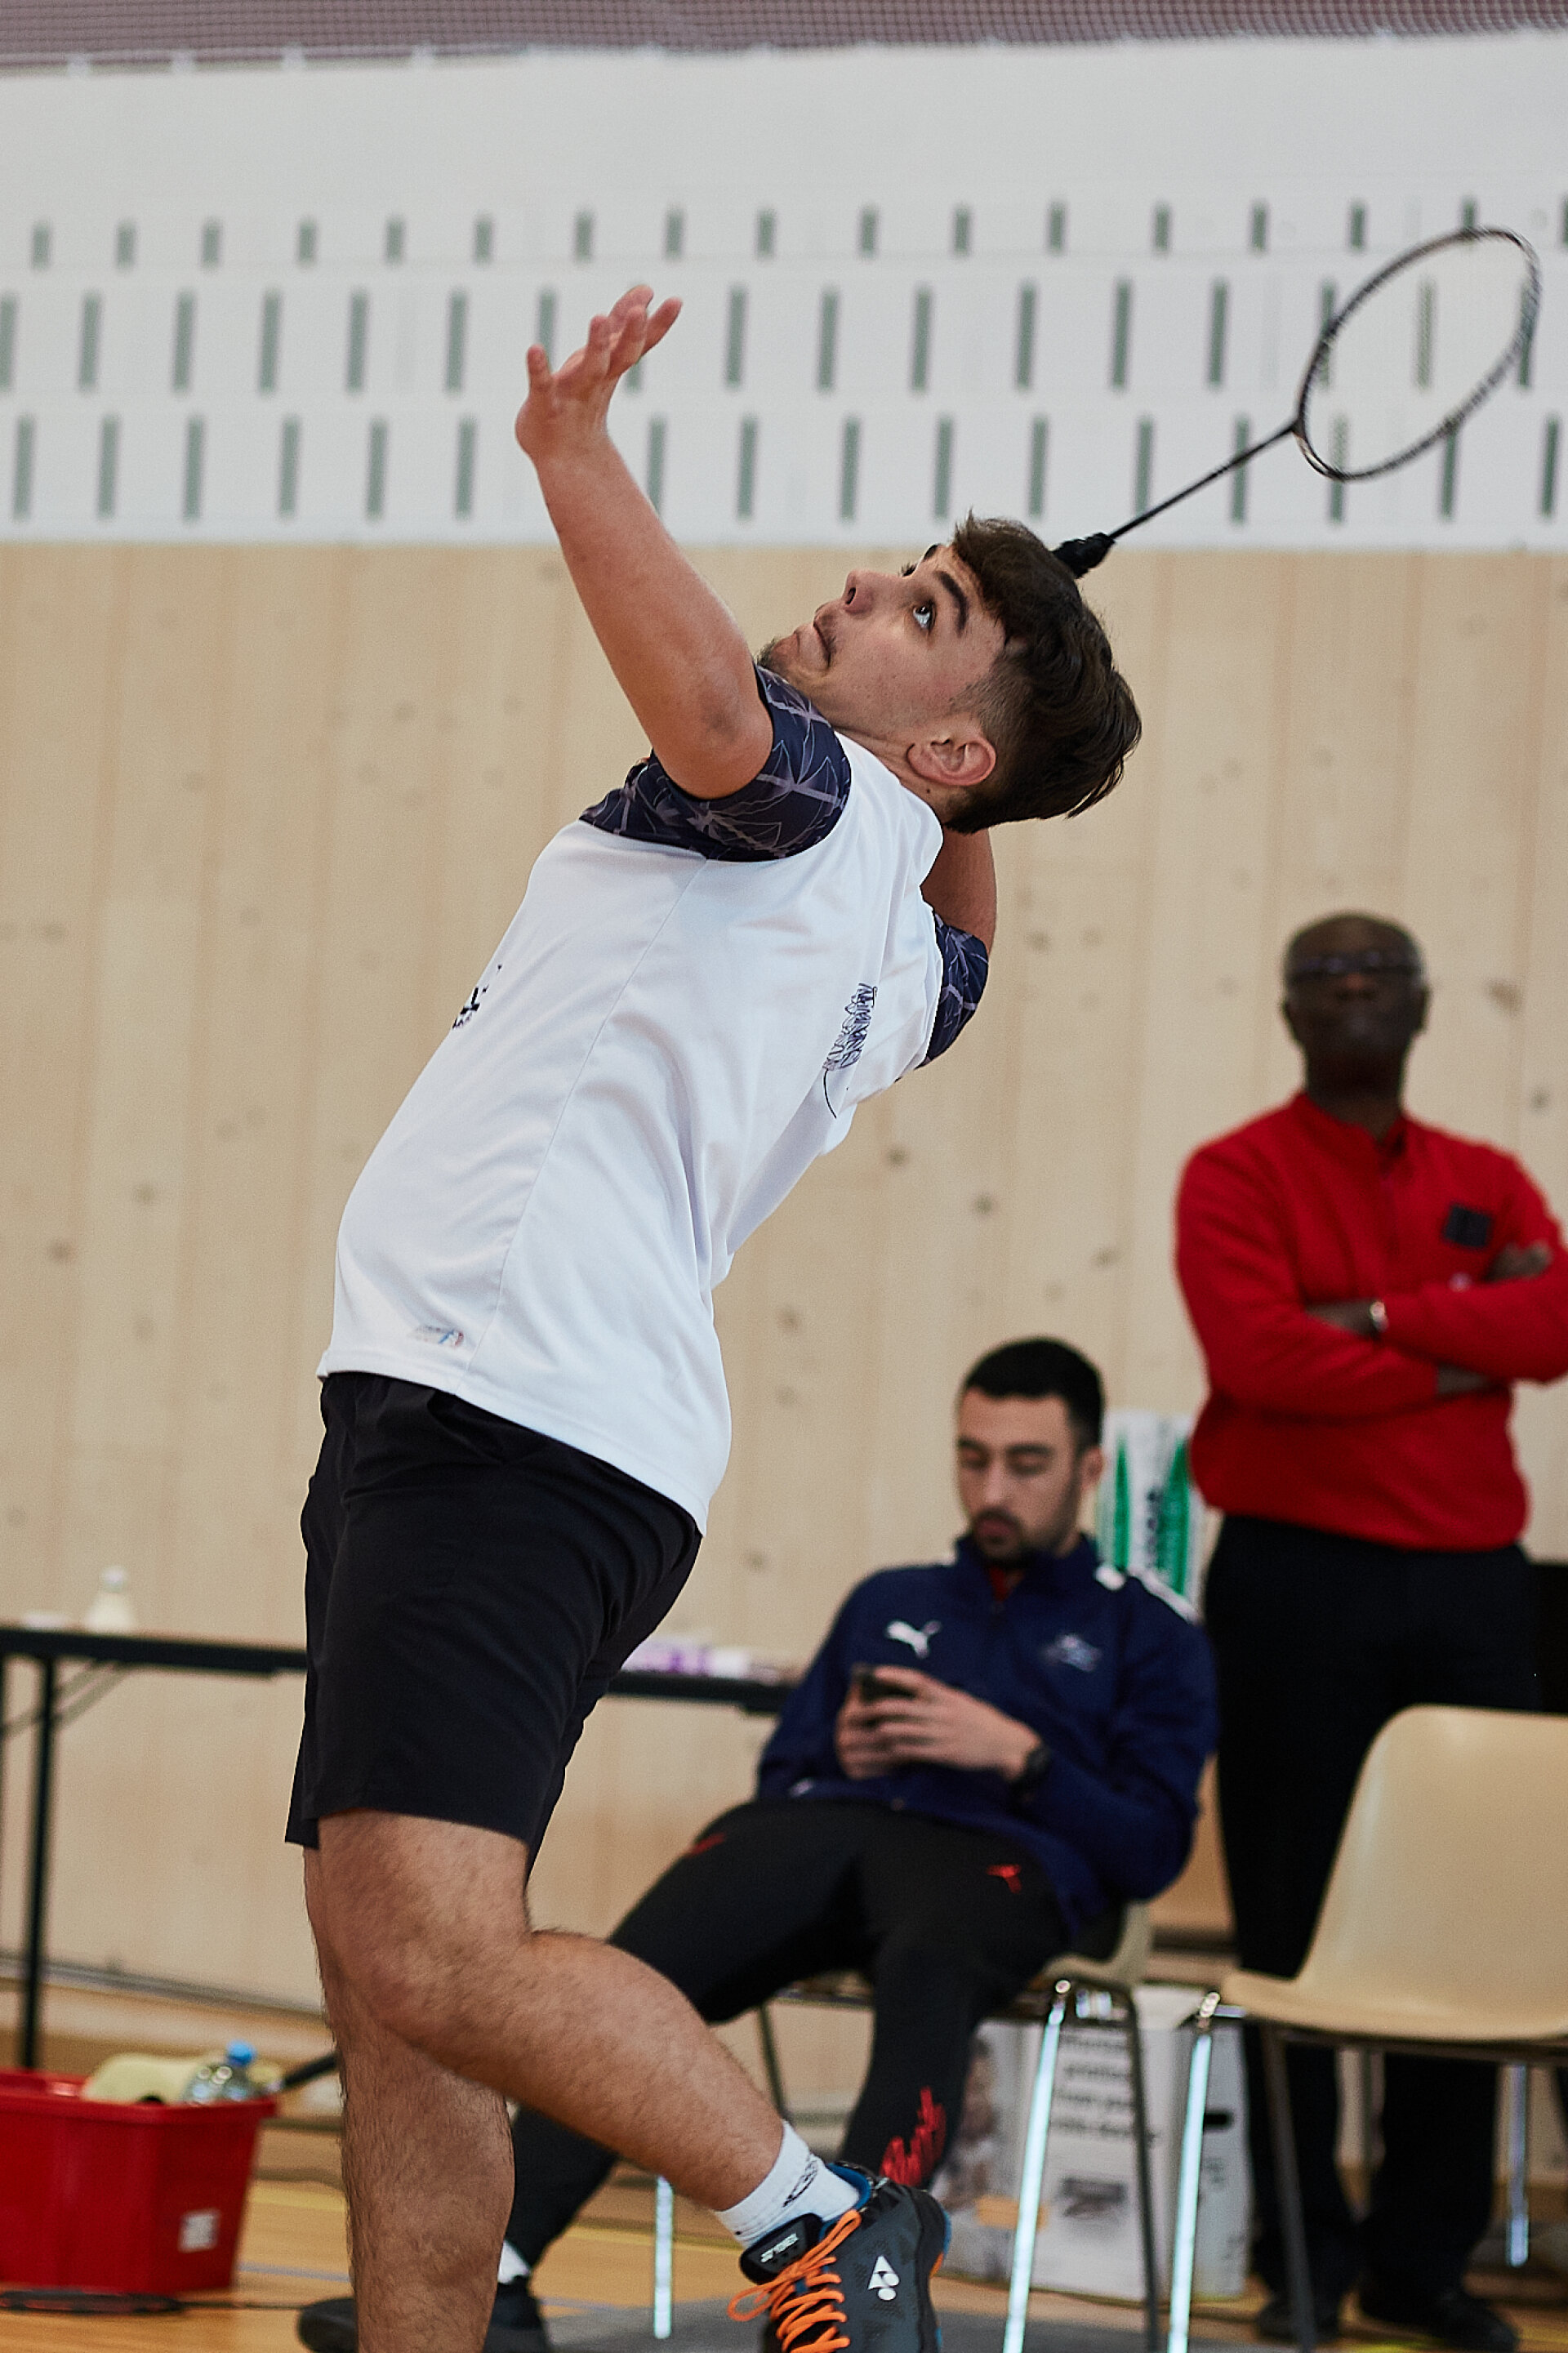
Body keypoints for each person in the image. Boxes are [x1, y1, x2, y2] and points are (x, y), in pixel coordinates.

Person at [287, 283, 1142, 2353]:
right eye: (908, 569)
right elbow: (964, 909)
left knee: (431, 1959)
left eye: (921, 605)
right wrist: (986, 736)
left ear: (939, 742)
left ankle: (825, 2219)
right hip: (512, 1425)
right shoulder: (895, 955)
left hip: (502, 1418)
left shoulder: (810, 802)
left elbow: (710, 706)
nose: (860, 584)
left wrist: (575, 452)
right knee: (400, 1996)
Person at [299, 1338, 1217, 2353]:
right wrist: (847, 1753)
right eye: (973, 1457)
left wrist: (1020, 1758)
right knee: (651, 1949)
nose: (992, 1489)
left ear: (1089, 1469)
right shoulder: (892, 1599)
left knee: (933, 1958)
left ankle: (855, 2293)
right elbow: (786, 1771)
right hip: (833, 1830)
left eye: (1026, 1463)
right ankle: (502, 2272)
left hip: (1004, 1861)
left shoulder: (1153, 1635)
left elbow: (1152, 1847)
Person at [1176, 911, 1568, 2353]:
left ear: (1421, 1007)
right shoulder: (1234, 1174)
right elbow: (1259, 1357)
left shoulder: (1489, 1175)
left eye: (1378, 975)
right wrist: (1460, 1345)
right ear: (1290, 1013)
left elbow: (1556, 1327)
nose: (1352, 992)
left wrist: (1380, 1317)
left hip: (1475, 1589)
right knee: (1293, 1922)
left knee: (1464, 1926)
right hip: (1297, 1584)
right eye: (1325, 978)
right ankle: (1302, 2256)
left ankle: (1421, 2261)